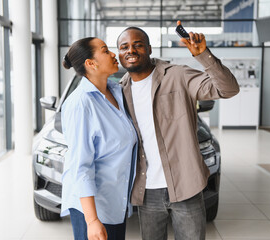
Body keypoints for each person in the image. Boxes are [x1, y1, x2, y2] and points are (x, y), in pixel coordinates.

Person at [116, 21, 239, 240]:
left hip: (186, 186)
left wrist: (204, 56)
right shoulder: (120, 91)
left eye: (138, 45)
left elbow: (228, 89)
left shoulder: (177, 75)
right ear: (119, 53)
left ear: (150, 48)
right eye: (124, 47)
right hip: (146, 190)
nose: (131, 50)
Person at [60, 37, 138, 240]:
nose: (113, 54)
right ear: (90, 63)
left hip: (114, 204)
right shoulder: (81, 104)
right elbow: (80, 166)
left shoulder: (117, 92)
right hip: (94, 208)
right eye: (105, 51)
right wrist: (92, 221)